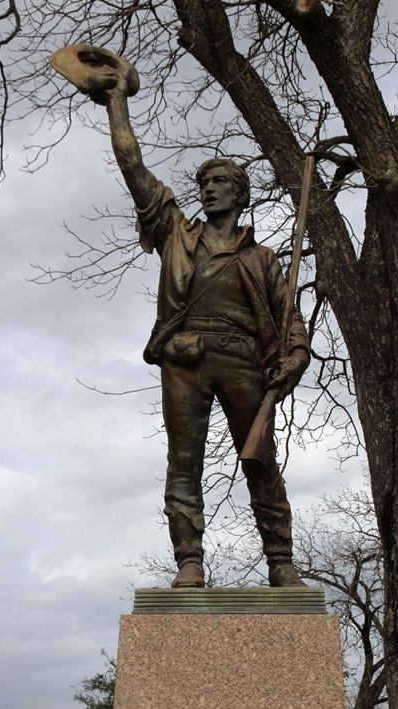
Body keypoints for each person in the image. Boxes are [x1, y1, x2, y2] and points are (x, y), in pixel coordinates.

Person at [93, 55, 310, 587]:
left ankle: (281, 562)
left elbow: (293, 327)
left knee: (260, 462)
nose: (207, 188)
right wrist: (117, 101)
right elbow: (132, 165)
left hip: (243, 362)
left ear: (240, 194)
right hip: (184, 360)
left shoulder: (262, 260)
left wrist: (293, 362)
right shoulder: (175, 233)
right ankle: (189, 560)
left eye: (219, 182)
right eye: (204, 182)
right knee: (183, 463)